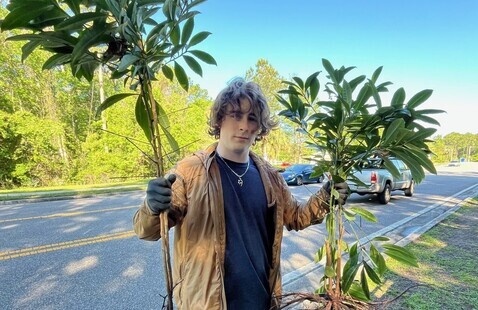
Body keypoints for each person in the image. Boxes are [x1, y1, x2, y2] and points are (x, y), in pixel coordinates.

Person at [133, 78, 349, 310]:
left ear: (260, 127)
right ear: (219, 120)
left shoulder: (271, 177)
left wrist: (327, 196)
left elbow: (297, 216)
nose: (244, 125)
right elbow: (148, 231)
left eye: (252, 118)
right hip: (207, 304)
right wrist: (152, 207)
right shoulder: (191, 171)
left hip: (263, 301)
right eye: (236, 115)